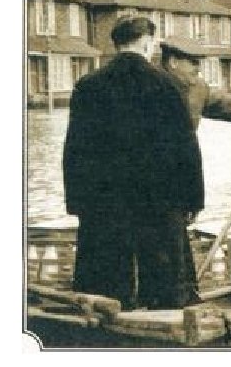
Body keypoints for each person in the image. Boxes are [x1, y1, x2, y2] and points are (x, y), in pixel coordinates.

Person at [63, 16, 204, 310]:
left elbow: (74, 151)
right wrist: (193, 200)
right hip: (159, 198)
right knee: (166, 278)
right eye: (152, 43)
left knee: (104, 278)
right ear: (146, 42)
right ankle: (164, 315)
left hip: (104, 197)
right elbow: (186, 149)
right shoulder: (167, 85)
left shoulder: (88, 86)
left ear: (116, 44)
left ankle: (107, 319)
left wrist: (77, 202)